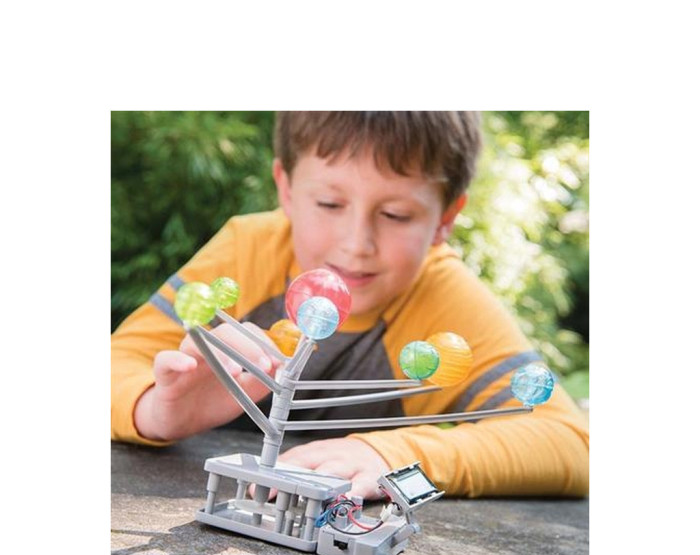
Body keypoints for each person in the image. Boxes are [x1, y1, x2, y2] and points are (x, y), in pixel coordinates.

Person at [111, 111, 589, 500]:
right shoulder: (246, 253)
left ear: (446, 218)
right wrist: (153, 410)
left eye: (396, 214)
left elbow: (569, 442)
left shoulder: (442, 300)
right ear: (286, 189)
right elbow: (113, 364)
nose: (357, 243)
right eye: (329, 204)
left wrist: (394, 454)